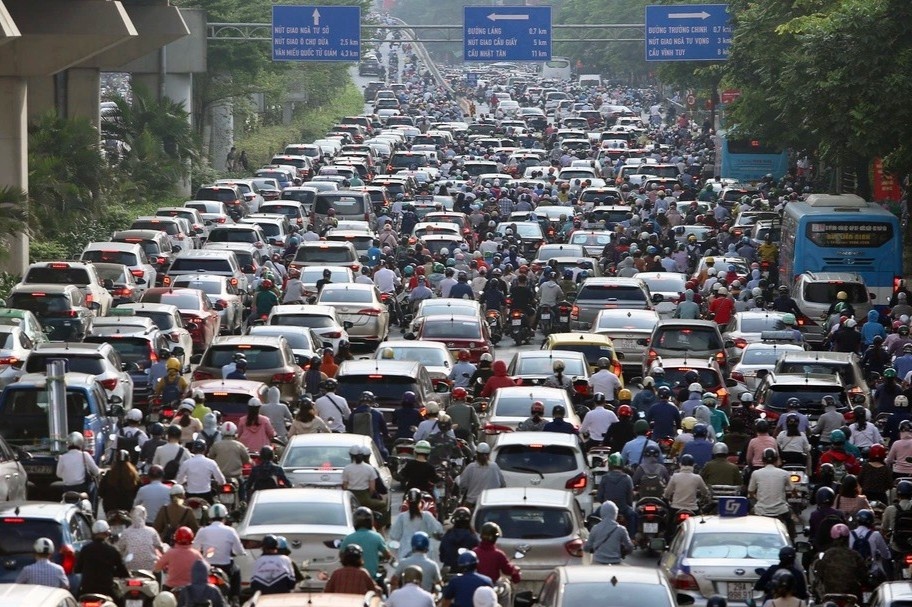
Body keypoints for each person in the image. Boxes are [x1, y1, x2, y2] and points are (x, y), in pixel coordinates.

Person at [194, 503, 246, 600]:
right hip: (226, 568)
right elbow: (239, 551)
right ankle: (235, 599)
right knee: (237, 570)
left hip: (207, 568)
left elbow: (195, 549)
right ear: (225, 517)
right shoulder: (230, 531)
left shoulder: (202, 531)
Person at [748, 448, 795, 539]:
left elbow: (750, 492)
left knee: (750, 517)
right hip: (781, 510)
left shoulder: (756, 473)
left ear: (762, 460)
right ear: (776, 459)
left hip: (761, 510)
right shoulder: (784, 473)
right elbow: (793, 489)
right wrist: (794, 494)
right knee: (791, 519)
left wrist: (757, 497)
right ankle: (792, 540)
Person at [76, 520, 130, 599]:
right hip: (106, 590)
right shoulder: (112, 550)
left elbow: (77, 569)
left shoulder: (85, 549)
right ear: (107, 533)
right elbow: (123, 571)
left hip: (86, 590)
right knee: (122, 601)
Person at [815, 523, 868, 602]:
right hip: (852, 596)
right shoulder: (855, 555)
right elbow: (863, 575)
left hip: (830, 596)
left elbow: (820, 574)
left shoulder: (827, 555)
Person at [390, 489, 444, 560]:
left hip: (405, 554)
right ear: (421, 501)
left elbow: (394, 535)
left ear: (407, 501)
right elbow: (438, 530)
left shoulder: (402, 517)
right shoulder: (427, 516)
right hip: (425, 555)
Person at [664, 454, 709, 537]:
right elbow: (705, 492)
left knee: (668, 526)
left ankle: (667, 542)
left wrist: (667, 498)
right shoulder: (697, 477)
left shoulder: (675, 476)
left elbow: (667, 493)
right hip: (693, 509)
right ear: (693, 465)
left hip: (676, 508)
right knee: (699, 525)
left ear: (680, 464)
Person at [340, 507, 391, 578]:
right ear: (371, 521)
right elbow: (388, 555)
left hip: (352, 578)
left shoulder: (348, 538)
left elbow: (341, 556)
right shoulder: (377, 536)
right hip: (373, 577)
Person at [474, 522, 521, 595]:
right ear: (495, 538)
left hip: (475, 587)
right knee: (506, 587)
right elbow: (507, 570)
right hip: (492, 587)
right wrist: (515, 571)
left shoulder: (474, 552)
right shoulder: (498, 554)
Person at [596, 453, 637, 537]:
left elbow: (599, 497)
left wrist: (605, 504)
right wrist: (627, 505)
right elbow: (630, 498)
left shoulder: (605, 478)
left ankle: (593, 538)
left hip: (607, 509)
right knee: (634, 516)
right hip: (623, 508)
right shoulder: (627, 478)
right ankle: (632, 538)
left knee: (592, 518)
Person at [56, 431, 100, 509]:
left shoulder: (62, 457)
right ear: (81, 443)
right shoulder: (85, 455)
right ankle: (92, 511)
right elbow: (96, 471)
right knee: (94, 487)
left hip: (67, 488)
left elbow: (58, 474)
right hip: (81, 488)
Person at [116, 506, 165, 572]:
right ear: (144, 516)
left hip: (130, 568)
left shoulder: (126, 532)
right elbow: (160, 547)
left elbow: (119, 549)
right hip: (150, 568)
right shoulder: (152, 531)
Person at [456, 443, 505, 508]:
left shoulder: (471, 467)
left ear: (477, 454)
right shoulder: (494, 466)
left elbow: (462, 484)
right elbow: (502, 484)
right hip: (491, 503)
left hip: (472, 503)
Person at [584, 500, 633, 565]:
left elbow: (587, 548)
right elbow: (630, 547)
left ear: (601, 513)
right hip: (616, 562)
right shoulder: (621, 529)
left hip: (598, 563)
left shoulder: (595, 528)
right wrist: (623, 552)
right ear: (615, 513)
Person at [849, 508, 891, 582]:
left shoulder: (849, 534)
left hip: (853, 572)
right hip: (872, 572)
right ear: (871, 521)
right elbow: (886, 554)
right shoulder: (876, 535)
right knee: (885, 582)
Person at [347, 391, 390, 460]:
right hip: (374, 445)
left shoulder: (353, 413)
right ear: (372, 402)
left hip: (357, 444)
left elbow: (349, 429)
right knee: (385, 454)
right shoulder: (378, 414)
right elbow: (385, 431)